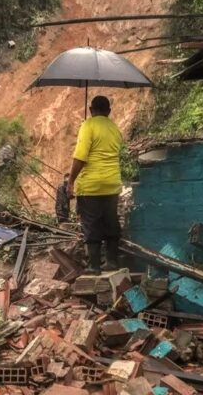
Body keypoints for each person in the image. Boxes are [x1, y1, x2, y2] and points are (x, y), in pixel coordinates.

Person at [68, 95, 123, 275]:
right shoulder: (115, 128)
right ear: (109, 111)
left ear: (91, 110)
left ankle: (94, 266)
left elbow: (80, 157)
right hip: (112, 183)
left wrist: (70, 182)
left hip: (91, 186)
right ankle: (112, 262)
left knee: (91, 223)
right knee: (110, 220)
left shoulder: (88, 126)